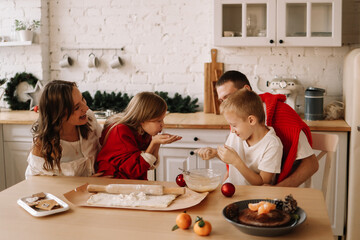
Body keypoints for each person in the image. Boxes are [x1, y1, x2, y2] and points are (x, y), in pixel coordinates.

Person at [197, 70, 318, 187]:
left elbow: (311, 164)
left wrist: (277, 191)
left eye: (228, 97)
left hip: (279, 193)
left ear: (246, 90)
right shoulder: (237, 120)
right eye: (222, 101)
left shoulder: (282, 115)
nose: (225, 104)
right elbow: (239, 163)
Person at [95, 92, 182, 180]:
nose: (162, 125)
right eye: (158, 120)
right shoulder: (120, 131)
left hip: (131, 181)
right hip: (113, 182)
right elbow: (134, 169)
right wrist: (154, 142)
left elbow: (149, 165)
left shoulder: (143, 131)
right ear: (142, 119)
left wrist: (157, 142)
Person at [25, 80, 102, 177]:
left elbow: (105, 148)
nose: (86, 108)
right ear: (58, 114)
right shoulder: (42, 144)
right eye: (77, 107)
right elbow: (36, 182)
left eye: (83, 99)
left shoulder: (89, 118)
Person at [217, 89, 283, 185]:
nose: (232, 130)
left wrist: (236, 162)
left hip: (253, 196)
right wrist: (214, 153)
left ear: (251, 120)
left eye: (234, 125)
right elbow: (229, 157)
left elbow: (263, 182)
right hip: (232, 191)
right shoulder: (237, 134)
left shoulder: (272, 144)